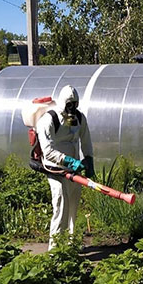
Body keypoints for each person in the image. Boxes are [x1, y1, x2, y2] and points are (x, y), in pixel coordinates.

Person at [36, 85, 94, 250]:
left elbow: (86, 140)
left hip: (74, 170)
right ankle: (55, 250)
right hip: (55, 169)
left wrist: (89, 161)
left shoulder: (79, 118)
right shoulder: (48, 120)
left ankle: (71, 243)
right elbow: (47, 151)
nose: (72, 109)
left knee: (73, 205)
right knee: (61, 204)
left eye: (74, 105)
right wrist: (69, 162)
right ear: (63, 104)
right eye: (69, 105)